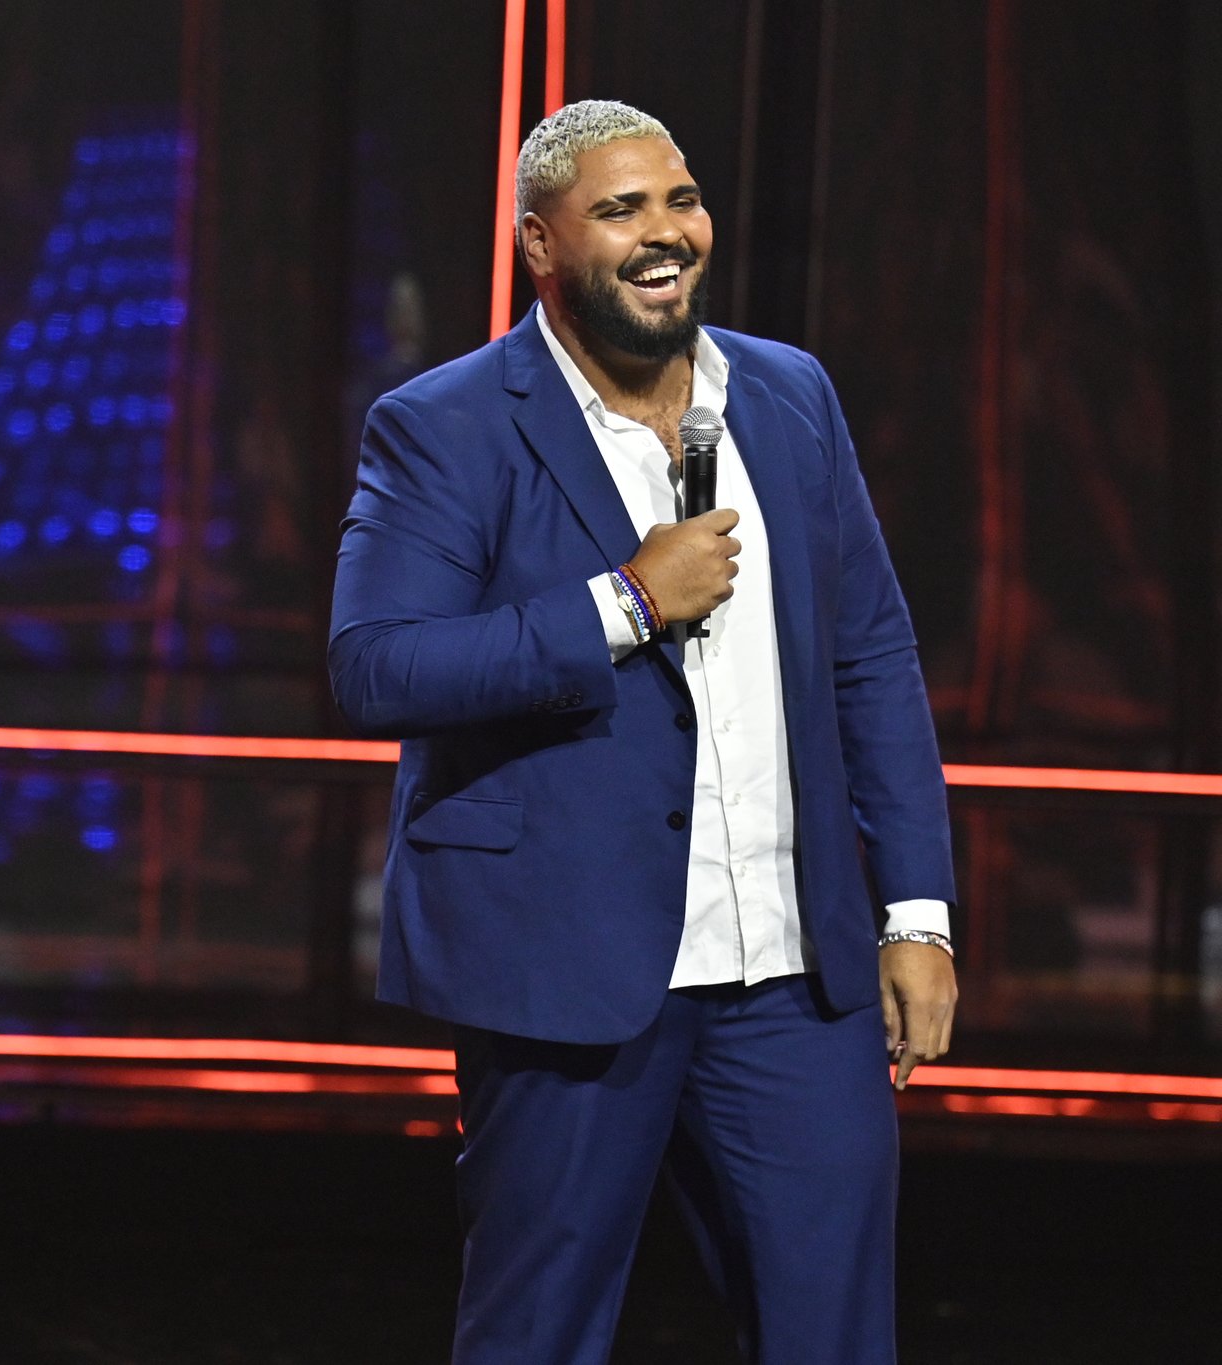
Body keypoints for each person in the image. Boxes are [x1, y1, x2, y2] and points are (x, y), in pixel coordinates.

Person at [327, 100, 959, 1364]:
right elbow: (376, 668)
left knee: (833, 1332)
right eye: (620, 210)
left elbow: (871, 660)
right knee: (537, 1333)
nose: (664, 232)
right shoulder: (446, 424)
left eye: (679, 200)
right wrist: (621, 604)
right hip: (561, 968)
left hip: (791, 977)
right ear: (539, 243)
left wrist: (915, 916)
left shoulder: (787, 394)